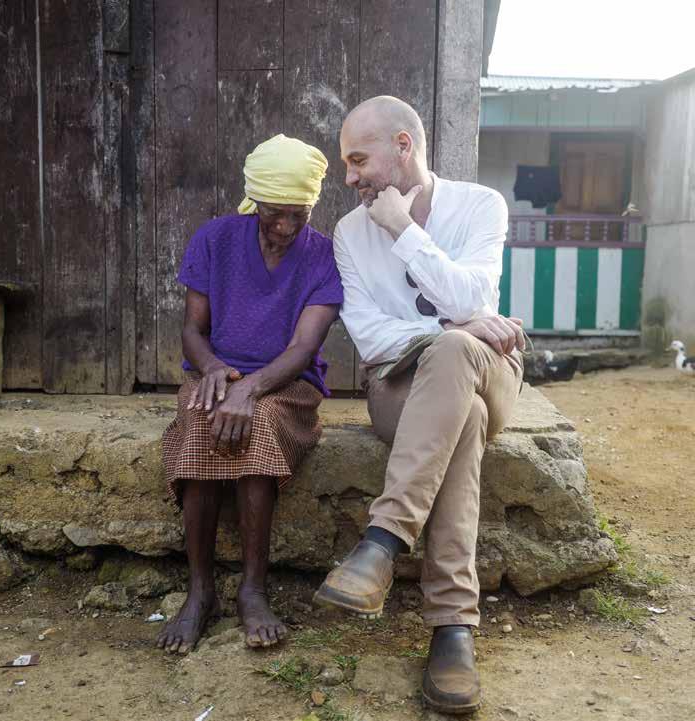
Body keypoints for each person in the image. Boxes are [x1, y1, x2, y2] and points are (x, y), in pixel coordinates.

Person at [313, 97, 525, 714]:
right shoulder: (348, 233)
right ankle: (452, 628)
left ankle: (381, 542)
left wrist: (403, 231)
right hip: (398, 385)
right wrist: (451, 329)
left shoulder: (481, 205)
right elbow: (371, 336)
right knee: (464, 410)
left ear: (403, 146)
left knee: (459, 355)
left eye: (358, 160)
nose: (349, 177)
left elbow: (471, 294)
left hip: (488, 368)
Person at [157, 134, 343, 654]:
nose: (284, 227)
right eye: (273, 213)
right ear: (254, 201)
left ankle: (252, 589)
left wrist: (252, 390)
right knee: (201, 419)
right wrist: (215, 369)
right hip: (215, 374)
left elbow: (303, 348)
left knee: (256, 425)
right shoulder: (214, 239)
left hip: (288, 384)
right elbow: (192, 330)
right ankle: (200, 592)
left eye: (297, 215)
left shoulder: (324, 256)